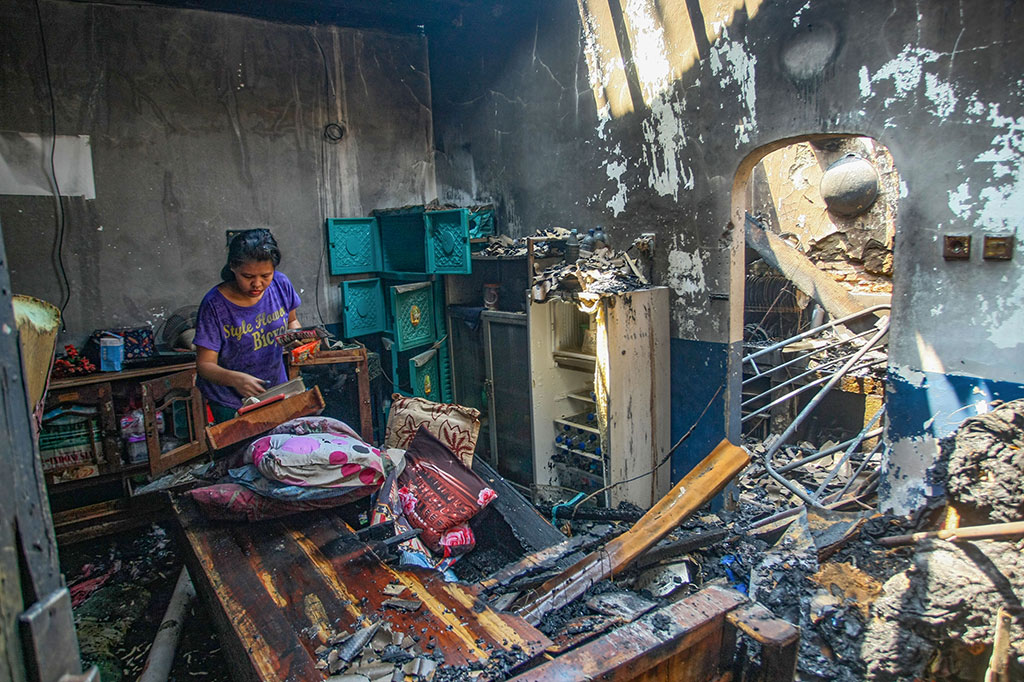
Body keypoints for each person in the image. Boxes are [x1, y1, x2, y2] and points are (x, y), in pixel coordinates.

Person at [194, 229, 301, 422]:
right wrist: (236, 379)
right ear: (233, 267)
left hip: (275, 390)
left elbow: (291, 321)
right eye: (248, 276)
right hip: (231, 403)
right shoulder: (214, 305)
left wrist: (296, 339)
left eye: (265, 276)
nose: (257, 284)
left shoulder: (280, 284)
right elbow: (204, 365)